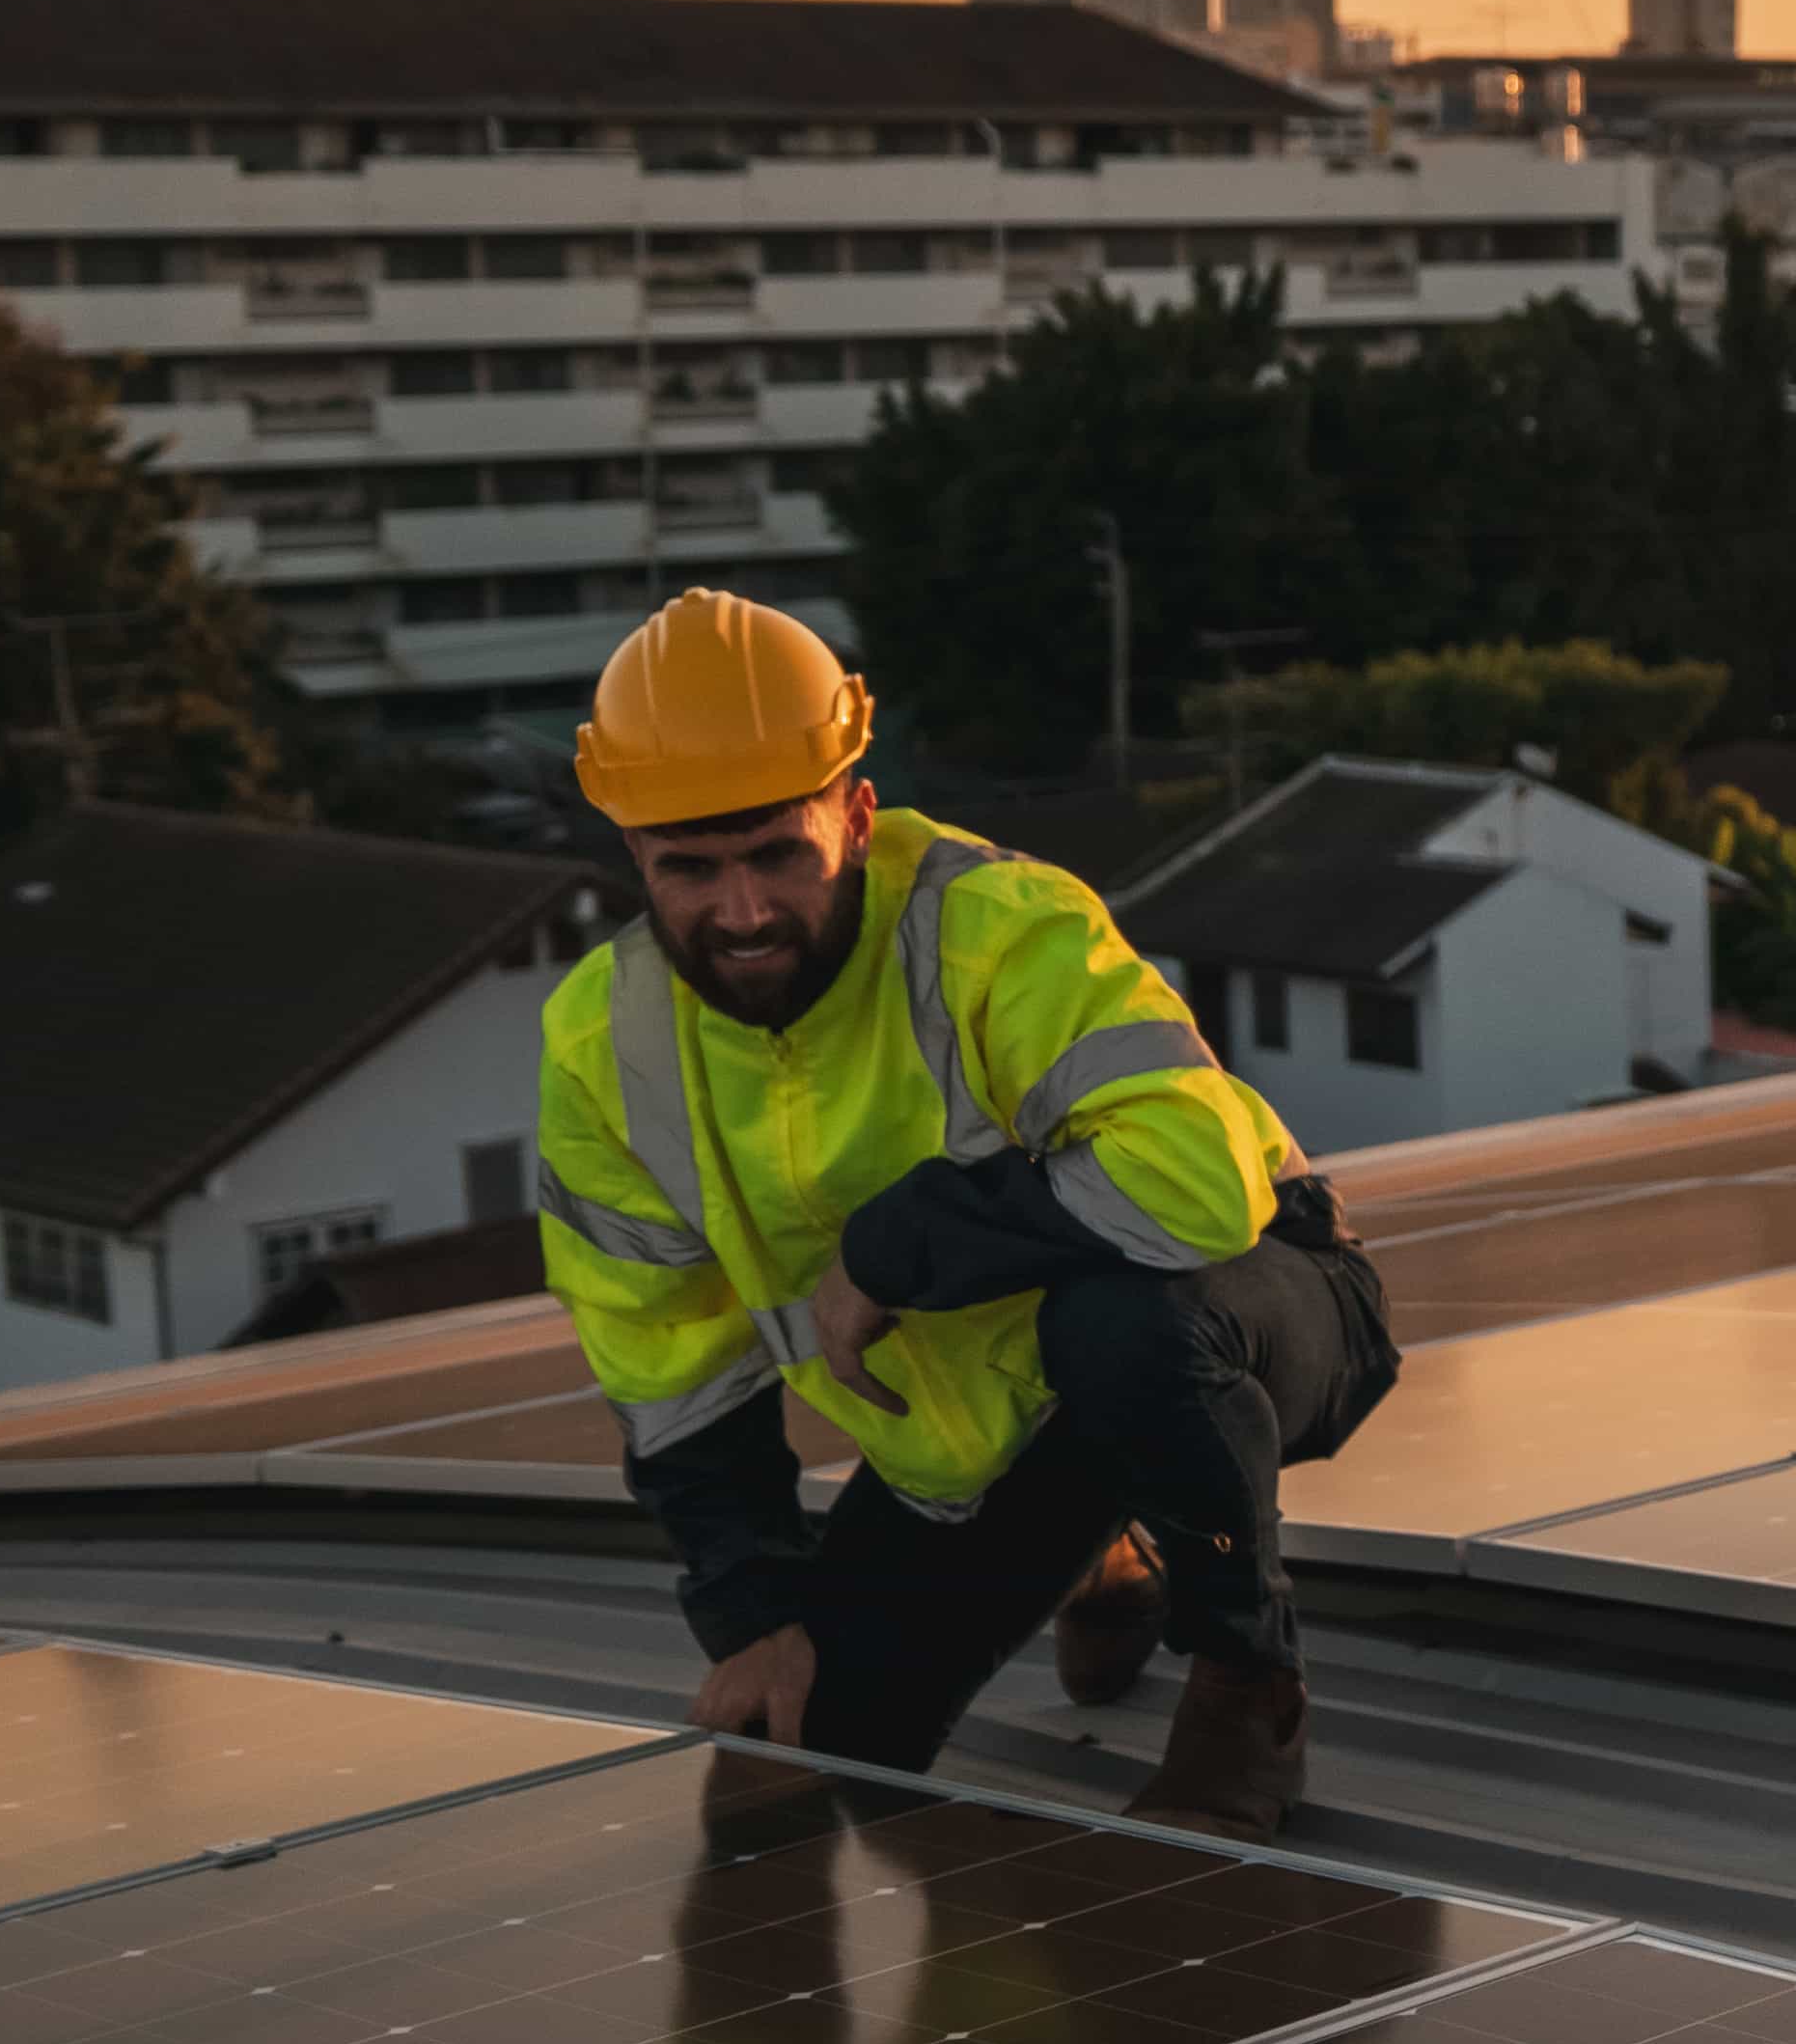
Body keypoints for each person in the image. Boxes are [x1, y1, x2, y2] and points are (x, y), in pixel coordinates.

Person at [531, 588, 1395, 1831]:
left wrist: (900, 1241)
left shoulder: (994, 927)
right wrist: (757, 1616)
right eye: (692, 869)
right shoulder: (598, 1051)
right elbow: (667, 1370)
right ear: (633, 856)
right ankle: (1103, 1556)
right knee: (825, 1750)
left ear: (857, 811)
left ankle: (1247, 1676)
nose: (743, 913)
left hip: (1260, 1304)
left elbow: (1196, 1181)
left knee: (1124, 1330)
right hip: (982, 1455)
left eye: (779, 851)